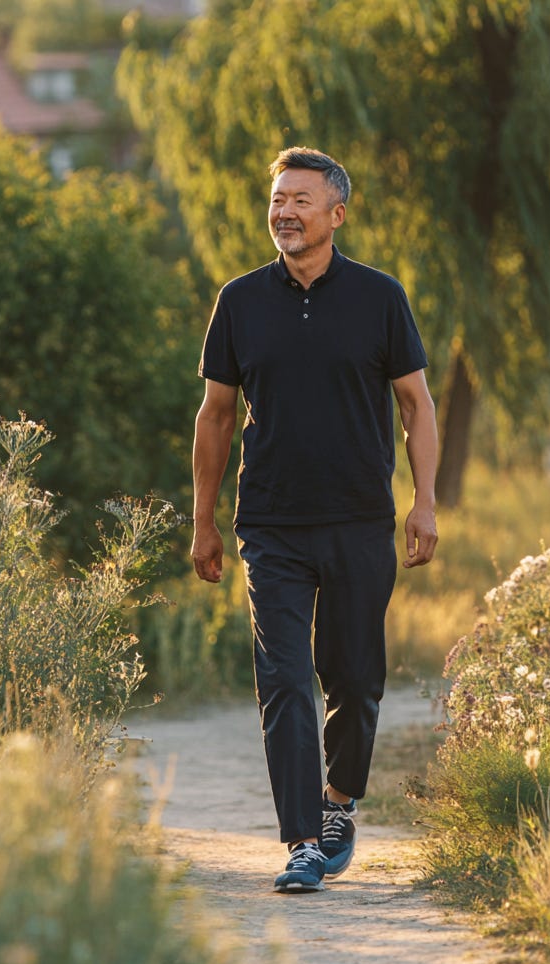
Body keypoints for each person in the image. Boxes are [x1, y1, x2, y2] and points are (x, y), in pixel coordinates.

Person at [191, 146, 438, 894]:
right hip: (270, 522)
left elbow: (416, 405)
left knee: (354, 680)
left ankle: (338, 801)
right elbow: (216, 415)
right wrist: (203, 520)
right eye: (277, 200)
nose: (285, 213)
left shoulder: (379, 297)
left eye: (301, 200)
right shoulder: (239, 301)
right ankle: (302, 840)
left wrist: (425, 500)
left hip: (360, 518)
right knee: (286, 679)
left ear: (337, 213)